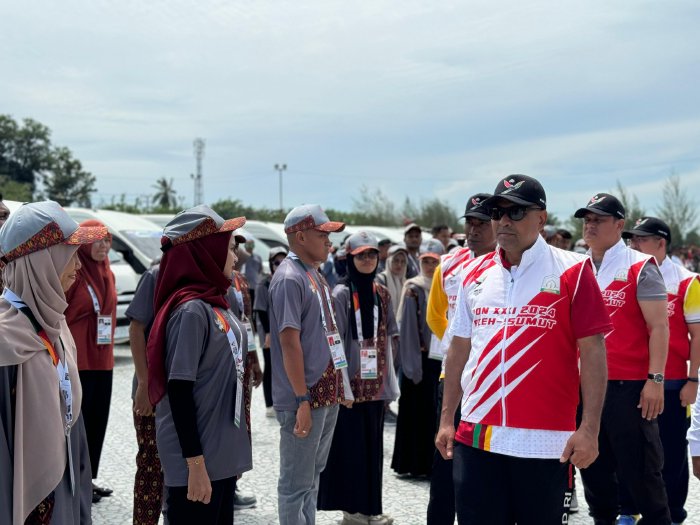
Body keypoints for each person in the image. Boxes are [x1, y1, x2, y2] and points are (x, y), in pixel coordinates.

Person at [435, 175, 611, 525]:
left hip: (545, 443)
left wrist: (589, 428)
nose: (503, 221)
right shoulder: (473, 272)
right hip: (478, 436)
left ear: (541, 218)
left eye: (515, 212)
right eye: (497, 212)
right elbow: (458, 349)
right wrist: (445, 419)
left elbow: (593, 353)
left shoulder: (574, 270)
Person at [0, 201, 106, 524]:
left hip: (66, 501)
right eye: (67, 254)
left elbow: (74, 427)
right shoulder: (5, 342)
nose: (77, 265)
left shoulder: (57, 329)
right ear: (40, 262)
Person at [147, 206, 252, 524]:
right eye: (230, 248)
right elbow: (179, 390)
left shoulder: (216, 303)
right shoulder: (192, 310)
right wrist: (194, 464)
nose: (235, 256)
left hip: (219, 459)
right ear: (207, 251)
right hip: (198, 464)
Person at [574, 194, 671, 525]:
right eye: (587, 219)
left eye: (598, 219)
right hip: (583, 387)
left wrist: (655, 380)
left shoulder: (640, 266)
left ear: (619, 225)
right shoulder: (574, 267)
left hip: (627, 388)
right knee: (593, 473)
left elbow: (659, 327)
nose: (590, 225)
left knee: (643, 474)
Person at [269, 204, 352, 525]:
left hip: (325, 393)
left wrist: (341, 382)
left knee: (312, 476)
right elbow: (289, 342)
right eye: (323, 235)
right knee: (294, 484)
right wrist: (301, 398)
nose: (329, 242)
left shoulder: (313, 273)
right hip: (305, 396)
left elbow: (328, 332)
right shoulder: (290, 278)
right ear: (300, 236)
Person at [619, 217, 700, 525]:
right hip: (632, 381)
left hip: (673, 382)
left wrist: (693, 380)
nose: (633, 245)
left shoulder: (686, 281)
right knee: (628, 449)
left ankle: (673, 513)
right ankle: (628, 509)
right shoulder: (628, 274)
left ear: (661, 242)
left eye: (641, 239)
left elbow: (698, 336)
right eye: (632, 239)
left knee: (670, 453)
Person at [318, 232, 400, 525]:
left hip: (375, 388)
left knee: (372, 450)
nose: (367, 260)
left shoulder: (382, 293)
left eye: (372, 255)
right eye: (361, 255)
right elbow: (334, 341)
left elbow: (389, 336)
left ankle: (369, 510)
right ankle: (352, 512)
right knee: (350, 450)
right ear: (349, 259)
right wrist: (341, 384)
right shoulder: (341, 294)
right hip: (349, 389)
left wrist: (390, 382)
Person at [426, 192, 496, 525]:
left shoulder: (508, 262)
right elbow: (434, 314)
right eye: (470, 222)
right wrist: (459, 349)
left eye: (482, 223)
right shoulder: (449, 263)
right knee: (444, 464)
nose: (474, 229)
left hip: (494, 379)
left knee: (485, 466)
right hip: (452, 377)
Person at [64, 220, 117, 503]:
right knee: (78, 422)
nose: (103, 246)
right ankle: (76, 479)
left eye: (106, 240)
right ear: (83, 244)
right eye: (96, 241)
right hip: (79, 358)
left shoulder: (107, 272)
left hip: (103, 358)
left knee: (98, 421)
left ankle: (89, 477)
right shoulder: (73, 271)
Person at [391, 241, 444, 478]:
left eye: (435, 261)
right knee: (415, 412)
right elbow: (408, 331)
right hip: (418, 360)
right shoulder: (413, 288)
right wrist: (411, 366)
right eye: (426, 261)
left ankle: (429, 464)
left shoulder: (445, 285)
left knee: (433, 412)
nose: (431, 266)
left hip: (438, 359)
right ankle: (412, 464)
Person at [126, 261, 164, 525]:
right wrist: (143, 383)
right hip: (152, 392)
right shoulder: (156, 276)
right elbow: (136, 328)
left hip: (185, 393)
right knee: (151, 468)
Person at [254, 246, 289, 417]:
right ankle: (269, 404)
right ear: (271, 264)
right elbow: (260, 310)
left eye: (283, 261)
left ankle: (280, 399)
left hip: (283, 331)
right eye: (276, 262)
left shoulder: (288, 280)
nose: (280, 265)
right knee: (270, 366)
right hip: (269, 332)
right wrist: (267, 333)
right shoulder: (264, 283)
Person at [376, 245, 408, 318]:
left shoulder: (405, 282)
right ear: (389, 261)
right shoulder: (380, 279)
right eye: (396, 260)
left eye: (403, 262)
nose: (399, 265)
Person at [243, 239, 263, 308]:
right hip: (244, 287)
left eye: (251, 245)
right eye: (248, 245)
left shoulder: (258, 257)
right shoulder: (242, 256)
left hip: (255, 286)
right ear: (245, 246)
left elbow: (261, 269)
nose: (249, 247)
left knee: (254, 305)